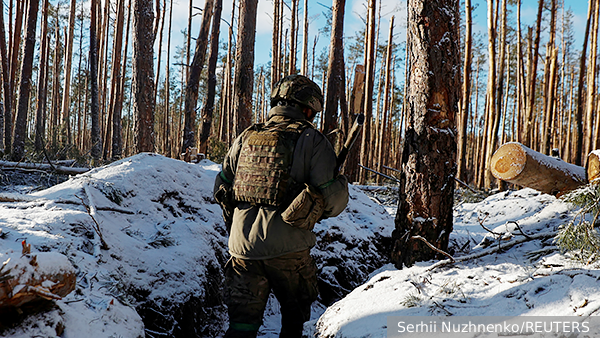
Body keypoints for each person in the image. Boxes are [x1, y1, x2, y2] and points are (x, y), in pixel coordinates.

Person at [213, 74, 349, 338]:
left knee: (241, 326)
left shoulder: (247, 135)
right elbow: (332, 201)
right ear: (308, 107)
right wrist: (339, 183)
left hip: (241, 249)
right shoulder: (313, 139)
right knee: (294, 323)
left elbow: (222, 186)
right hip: (290, 250)